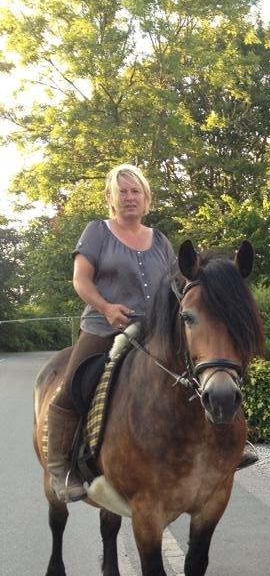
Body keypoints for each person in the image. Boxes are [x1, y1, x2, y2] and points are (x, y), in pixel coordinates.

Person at [46, 164, 176, 503]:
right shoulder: (96, 232)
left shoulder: (161, 240)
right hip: (105, 328)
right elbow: (81, 280)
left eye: (136, 192)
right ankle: (60, 469)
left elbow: (177, 286)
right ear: (111, 198)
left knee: (206, 369)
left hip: (156, 333)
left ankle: (224, 447)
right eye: (123, 191)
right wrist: (106, 308)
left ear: (146, 200)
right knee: (72, 387)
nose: (130, 197)